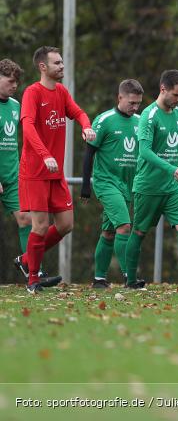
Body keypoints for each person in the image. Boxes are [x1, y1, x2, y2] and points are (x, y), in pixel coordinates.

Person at [17, 46, 94, 293]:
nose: (62, 66)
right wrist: (45, 154)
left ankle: (26, 259)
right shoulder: (32, 93)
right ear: (43, 67)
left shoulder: (61, 91)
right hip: (35, 172)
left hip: (55, 173)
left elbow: (78, 112)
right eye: (57, 63)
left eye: (61, 62)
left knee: (66, 224)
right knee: (40, 226)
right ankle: (32, 279)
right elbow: (28, 127)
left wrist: (86, 126)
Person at [126, 70, 178, 290]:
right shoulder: (149, 115)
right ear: (163, 89)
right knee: (139, 232)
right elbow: (144, 151)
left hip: (173, 187)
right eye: (176, 95)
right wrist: (171, 168)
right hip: (148, 186)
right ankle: (130, 280)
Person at [1, 59, 60, 288]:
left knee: (27, 220)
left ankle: (33, 269)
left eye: (17, 81)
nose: (15, 85)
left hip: (13, 175)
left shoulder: (16, 105)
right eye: (10, 81)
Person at [81, 79, 144, 288]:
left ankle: (99, 279)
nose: (135, 107)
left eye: (138, 103)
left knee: (108, 233)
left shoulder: (140, 121)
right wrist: (85, 185)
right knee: (124, 226)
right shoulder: (104, 120)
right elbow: (89, 153)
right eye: (132, 103)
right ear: (120, 97)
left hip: (128, 185)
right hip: (106, 183)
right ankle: (130, 277)